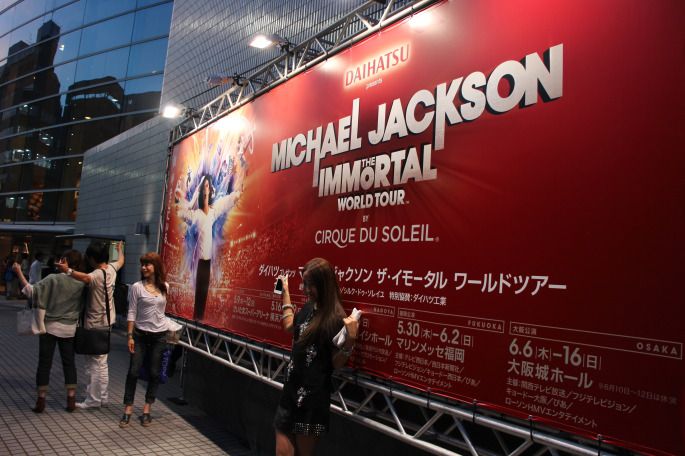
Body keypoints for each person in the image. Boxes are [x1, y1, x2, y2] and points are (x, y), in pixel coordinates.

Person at [274, 258, 360, 456]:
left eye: (311, 284)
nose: (306, 290)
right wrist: (285, 292)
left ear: (324, 283)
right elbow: (290, 326)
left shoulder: (336, 318)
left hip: (312, 403)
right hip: (289, 394)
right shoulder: (308, 308)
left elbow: (335, 363)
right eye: (304, 283)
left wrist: (350, 341)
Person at [13, 250, 86, 413]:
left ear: (64, 260)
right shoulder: (81, 282)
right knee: (69, 363)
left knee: (45, 363)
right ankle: (71, 400)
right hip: (69, 328)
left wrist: (18, 271)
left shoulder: (53, 278)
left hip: (49, 327)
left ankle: (41, 401)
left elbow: (31, 291)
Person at [56, 240, 124, 409]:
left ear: (92, 258)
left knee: (92, 365)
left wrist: (67, 270)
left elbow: (85, 277)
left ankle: (93, 400)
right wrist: (120, 250)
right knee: (102, 364)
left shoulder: (96, 275)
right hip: (108, 322)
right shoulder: (111, 269)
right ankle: (103, 397)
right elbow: (121, 261)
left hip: (94, 324)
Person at [175, 174, 240, 321]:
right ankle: (195, 322)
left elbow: (227, 202)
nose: (206, 189)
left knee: (203, 300)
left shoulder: (213, 211)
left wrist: (236, 195)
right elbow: (180, 212)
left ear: (211, 189)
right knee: (198, 298)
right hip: (199, 263)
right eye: (204, 186)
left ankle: (199, 321)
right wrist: (194, 198)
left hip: (208, 262)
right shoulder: (196, 214)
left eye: (208, 186)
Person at [119, 252, 169, 427]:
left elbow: (162, 312)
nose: (144, 267)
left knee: (154, 373)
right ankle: (128, 409)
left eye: (147, 264)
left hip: (160, 336)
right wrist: (130, 336)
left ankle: (147, 409)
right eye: (142, 264)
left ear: (156, 266)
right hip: (140, 335)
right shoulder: (136, 287)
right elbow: (131, 312)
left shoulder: (165, 287)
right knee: (133, 372)